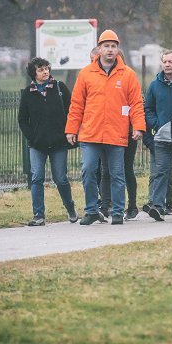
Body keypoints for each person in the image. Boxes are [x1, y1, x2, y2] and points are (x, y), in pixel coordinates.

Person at [64, 29, 146, 226]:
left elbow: (136, 103)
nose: (110, 50)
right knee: (88, 170)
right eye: (106, 46)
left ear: (118, 49)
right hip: (90, 134)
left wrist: (138, 127)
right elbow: (76, 104)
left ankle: (117, 212)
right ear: (99, 49)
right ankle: (91, 211)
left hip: (116, 134)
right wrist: (71, 129)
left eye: (113, 46)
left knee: (117, 174)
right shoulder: (85, 74)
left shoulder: (128, 75)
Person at [18, 57, 77, 226]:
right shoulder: (28, 93)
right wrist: (32, 137)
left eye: (46, 68)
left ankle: (70, 207)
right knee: (36, 177)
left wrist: (68, 132)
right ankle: (39, 215)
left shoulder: (59, 88)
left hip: (58, 143)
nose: (45, 72)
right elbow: (22, 119)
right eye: (40, 69)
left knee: (60, 178)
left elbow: (72, 111)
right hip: (37, 145)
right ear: (33, 74)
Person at [142, 49, 172, 222]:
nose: (167, 65)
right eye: (165, 62)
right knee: (161, 172)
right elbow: (148, 108)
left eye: (171, 62)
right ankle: (158, 206)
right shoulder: (155, 85)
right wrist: (157, 124)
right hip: (162, 138)